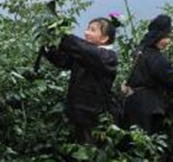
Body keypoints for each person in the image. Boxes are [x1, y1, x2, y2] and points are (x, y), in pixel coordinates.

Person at [43, 16, 118, 144]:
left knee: (90, 151)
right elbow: (64, 61)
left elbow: (82, 49)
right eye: (87, 29)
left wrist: (62, 34)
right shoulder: (85, 55)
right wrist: (48, 47)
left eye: (92, 30)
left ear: (104, 38)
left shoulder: (107, 57)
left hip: (93, 115)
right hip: (77, 112)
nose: (86, 33)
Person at [122, 14, 173, 134]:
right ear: (157, 36)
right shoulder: (155, 57)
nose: (168, 41)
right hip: (148, 106)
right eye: (166, 37)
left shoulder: (140, 50)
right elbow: (172, 80)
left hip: (132, 102)